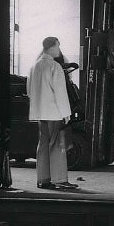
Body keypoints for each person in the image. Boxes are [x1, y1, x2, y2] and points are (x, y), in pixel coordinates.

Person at [28, 36, 73, 190]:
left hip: (40, 113)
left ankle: (43, 179)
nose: (59, 50)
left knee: (42, 145)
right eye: (58, 46)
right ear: (52, 47)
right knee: (56, 145)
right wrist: (66, 113)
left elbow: (29, 91)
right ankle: (59, 179)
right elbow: (60, 93)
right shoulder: (54, 66)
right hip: (54, 113)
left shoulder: (34, 66)